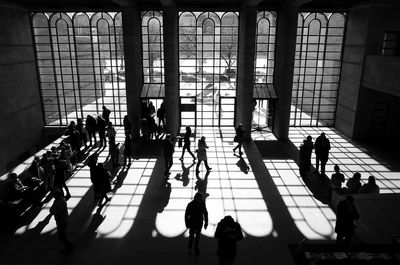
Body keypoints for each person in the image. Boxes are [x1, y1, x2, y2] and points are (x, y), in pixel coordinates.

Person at [50, 189, 74, 254]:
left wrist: (53, 211)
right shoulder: (58, 200)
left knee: (61, 236)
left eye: (54, 195)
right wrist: (53, 211)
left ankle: (69, 247)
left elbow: (54, 211)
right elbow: (52, 209)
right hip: (61, 220)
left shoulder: (60, 202)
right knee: (63, 235)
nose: (53, 197)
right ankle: (68, 246)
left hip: (62, 221)